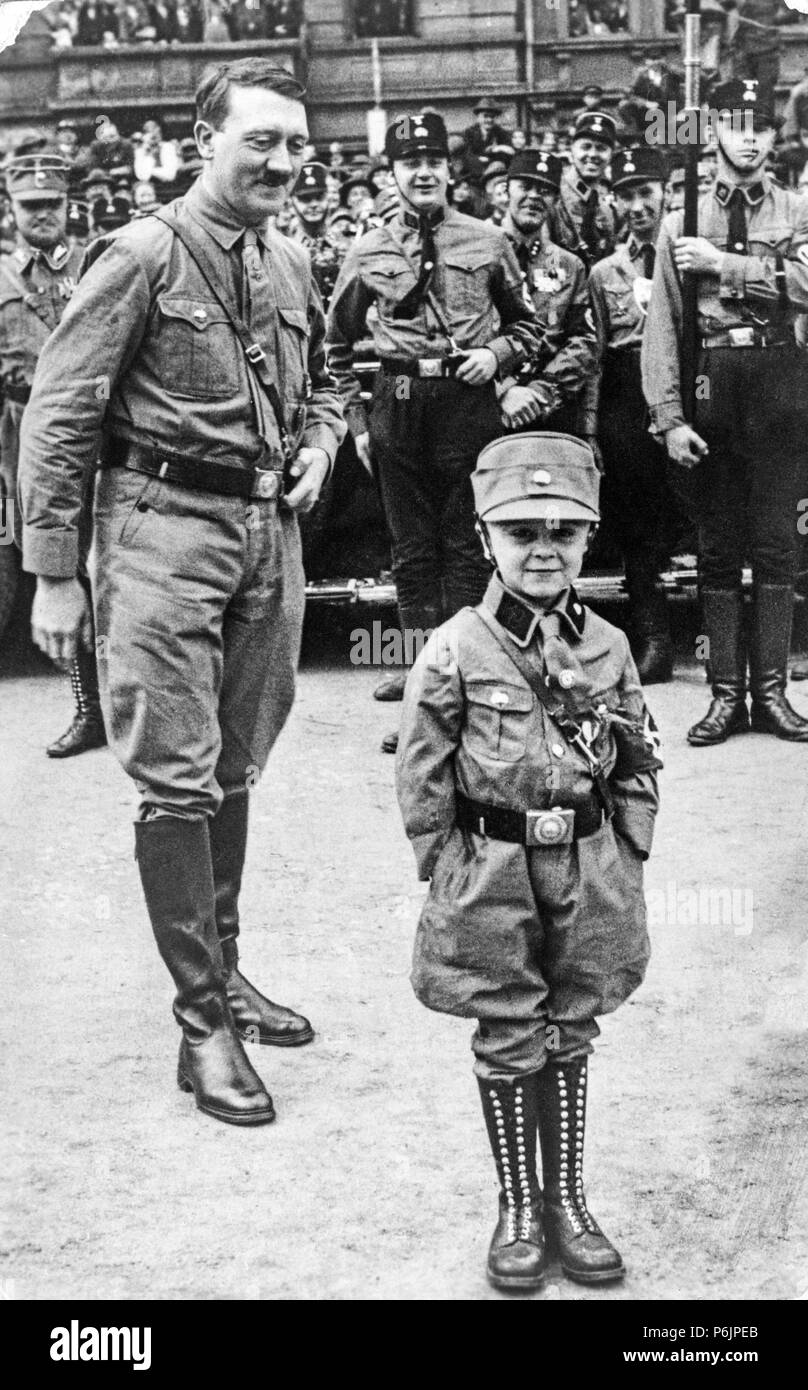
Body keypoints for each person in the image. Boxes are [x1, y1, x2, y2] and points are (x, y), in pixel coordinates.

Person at [17, 59, 346, 1125]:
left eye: (296, 145)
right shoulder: (143, 255)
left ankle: (229, 968)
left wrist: (322, 444)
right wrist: (57, 574)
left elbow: (327, 379)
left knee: (237, 756)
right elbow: (60, 413)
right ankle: (200, 1023)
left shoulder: (293, 260)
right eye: (261, 141)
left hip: (266, 532)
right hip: (160, 533)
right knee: (176, 775)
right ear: (203, 138)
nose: (282, 163)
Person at [396, 432, 661, 1291]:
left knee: (573, 1021)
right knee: (508, 1026)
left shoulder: (610, 646)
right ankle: (519, 1204)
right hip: (494, 870)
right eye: (521, 533)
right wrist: (445, 864)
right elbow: (422, 765)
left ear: (588, 537)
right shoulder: (456, 645)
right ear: (484, 539)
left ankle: (570, 1203)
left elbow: (639, 754)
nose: (544, 550)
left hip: (586, 864)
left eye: (564, 532)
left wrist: (629, 848)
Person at [326, 112, 538, 747]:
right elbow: (333, 346)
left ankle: (472, 696)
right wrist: (359, 422)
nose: (423, 172)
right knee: (413, 559)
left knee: (470, 553)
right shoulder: (367, 250)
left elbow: (528, 329)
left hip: (466, 405)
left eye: (434, 161)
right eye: (409, 163)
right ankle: (422, 705)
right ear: (391, 175)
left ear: (450, 170)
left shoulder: (487, 241)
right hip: (397, 404)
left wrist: (496, 357)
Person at [642, 78, 808, 744]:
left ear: (774, 137)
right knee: (716, 552)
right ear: (712, 133)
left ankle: (771, 695)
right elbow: (664, 323)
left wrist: (727, 265)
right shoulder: (679, 218)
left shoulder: (796, 210)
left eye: (760, 126)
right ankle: (724, 696)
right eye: (735, 123)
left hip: (780, 383)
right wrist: (670, 418)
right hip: (713, 382)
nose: (748, 136)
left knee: (776, 549)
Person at [0, 150, 103, 758]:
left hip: (93, 429)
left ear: (70, 207)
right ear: (11, 210)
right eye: (30, 206)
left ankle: (120, 704)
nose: (42, 216)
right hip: (17, 435)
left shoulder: (95, 265)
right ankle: (86, 709)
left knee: (103, 562)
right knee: (45, 558)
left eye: (52, 206)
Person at [586, 146, 679, 684]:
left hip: (685, 385)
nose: (638, 205)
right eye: (627, 196)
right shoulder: (606, 272)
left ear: (666, 194)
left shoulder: (686, 253)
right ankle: (654, 639)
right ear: (613, 202)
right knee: (638, 519)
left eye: (647, 192)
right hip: (627, 393)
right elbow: (596, 354)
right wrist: (592, 427)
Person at [497, 149, 597, 439]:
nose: (534, 197)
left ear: (555, 200)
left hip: (550, 406)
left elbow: (584, 338)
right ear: (506, 190)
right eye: (525, 187)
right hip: (488, 404)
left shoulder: (570, 264)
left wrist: (543, 389)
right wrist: (504, 390)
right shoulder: (480, 254)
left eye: (545, 191)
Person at [549, 110, 618, 271]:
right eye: (586, 147)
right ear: (572, 150)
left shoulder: (607, 211)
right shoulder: (553, 197)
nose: (593, 154)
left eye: (601, 148)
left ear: (611, 155)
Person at [286, 160, 346, 309]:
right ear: (292, 201)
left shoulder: (346, 242)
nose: (313, 204)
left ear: (328, 198)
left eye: (319, 197)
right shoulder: (284, 248)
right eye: (305, 199)